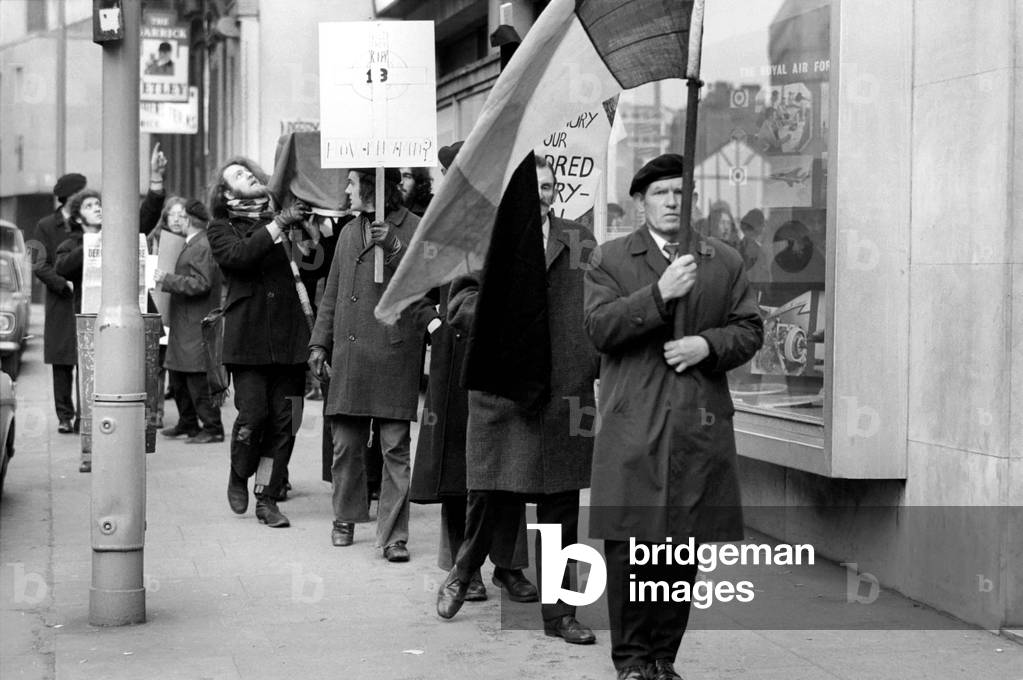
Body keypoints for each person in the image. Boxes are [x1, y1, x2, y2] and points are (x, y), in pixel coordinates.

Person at [582, 153, 764, 680]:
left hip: (695, 430)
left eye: (681, 194)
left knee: (680, 553)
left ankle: (664, 658)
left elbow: (749, 329)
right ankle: (632, 660)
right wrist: (659, 296)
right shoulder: (610, 259)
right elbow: (598, 329)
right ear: (641, 202)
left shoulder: (724, 261)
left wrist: (706, 346)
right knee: (632, 548)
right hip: (634, 427)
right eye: (660, 193)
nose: (671, 202)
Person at [435, 156, 599, 647]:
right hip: (503, 390)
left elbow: (599, 302)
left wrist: (593, 362)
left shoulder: (579, 239)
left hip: (563, 393)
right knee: (487, 498)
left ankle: (561, 614)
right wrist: (502, 330)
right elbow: (459, 303)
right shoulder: (486, 234)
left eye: (549, 186)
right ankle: (463, 573)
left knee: (561, 510)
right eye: (534, 187)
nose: (543, 194)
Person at [410, 141, 535, 603]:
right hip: (454, 361)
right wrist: (436, 321)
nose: (444, 181)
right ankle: (467, 565)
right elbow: (418, 293)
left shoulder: (507, 221)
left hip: (501, 359)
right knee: (457, 469)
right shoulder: (440, 228)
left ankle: (509, 565)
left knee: (510, 464)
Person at [307, 167, 432, 562]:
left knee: (395, 447)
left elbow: (427, 283)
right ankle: (345, 516)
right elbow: (332, 294)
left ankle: (394, 535)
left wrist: (394, 248)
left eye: (351, 182)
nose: (345, 189)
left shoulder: (413, 226)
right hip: (351, 352)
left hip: (394, 352)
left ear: (376, 186)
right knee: (345, 444)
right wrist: (319, 344)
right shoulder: (347, 231)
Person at [206, 157, 311, 529]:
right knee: (253, 417)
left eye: (248, 171)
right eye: (236, 175)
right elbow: (240, 257)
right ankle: (239, 473)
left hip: (289, 338)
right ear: (225, 192)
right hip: (247, 339)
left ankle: (266, 497)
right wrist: (277, 225)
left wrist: (309, 232)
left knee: (284, 424)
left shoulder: (284, 214)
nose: (247, 175)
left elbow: (313, 267)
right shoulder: (221, 228)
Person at [154, 199, 224, 444]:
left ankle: (213, 426)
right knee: (179, 375)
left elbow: (202, 283)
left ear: (187, 219)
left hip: (195, 322)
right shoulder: (194, 243)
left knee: (196, 377)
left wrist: (168, 280)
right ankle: (188, 422)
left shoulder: (201, 245)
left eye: (179, 216)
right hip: (185, 322)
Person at [33, 172, 87, 434]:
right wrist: (62, 283)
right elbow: (37, 262)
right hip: (60, 302)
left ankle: (83, 416)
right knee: (62, 363)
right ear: (70, 197)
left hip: (85, 300)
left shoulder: (84, 225)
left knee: (84, 360)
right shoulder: (44, 225)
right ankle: (64, 416)